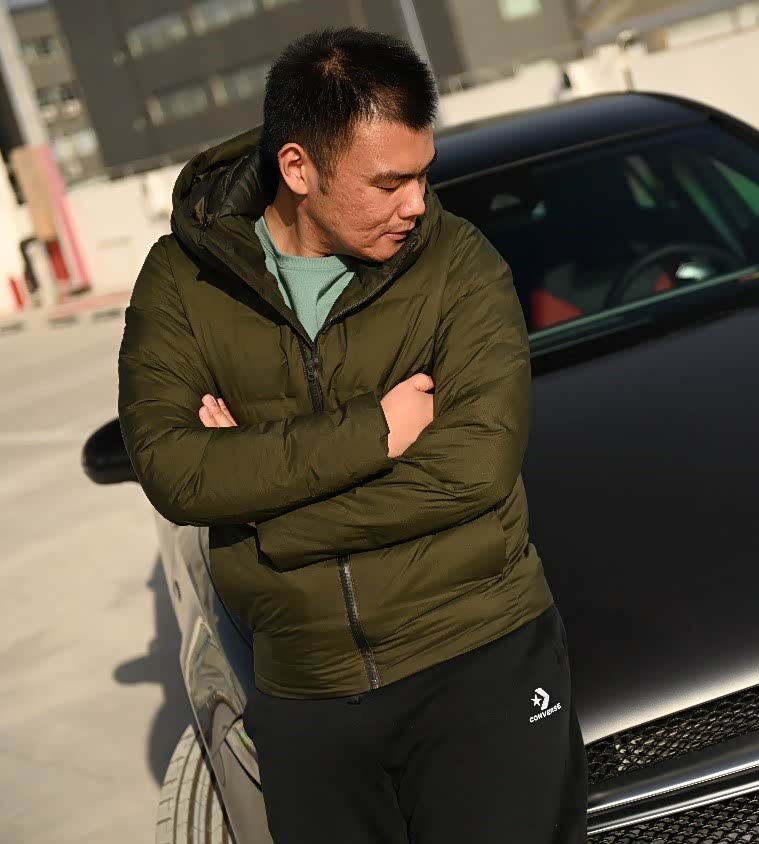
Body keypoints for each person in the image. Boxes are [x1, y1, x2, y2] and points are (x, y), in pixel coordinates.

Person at [116, 27, 587, 843]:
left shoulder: (458, 266)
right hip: (308, 695)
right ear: (298, 168)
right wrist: (376, 430)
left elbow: (472, 470)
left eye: (422, 173)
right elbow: (175, 470)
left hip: (478, 654)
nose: (416, 203)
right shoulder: (182, 283)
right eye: (388, 182)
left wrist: (263, 510)